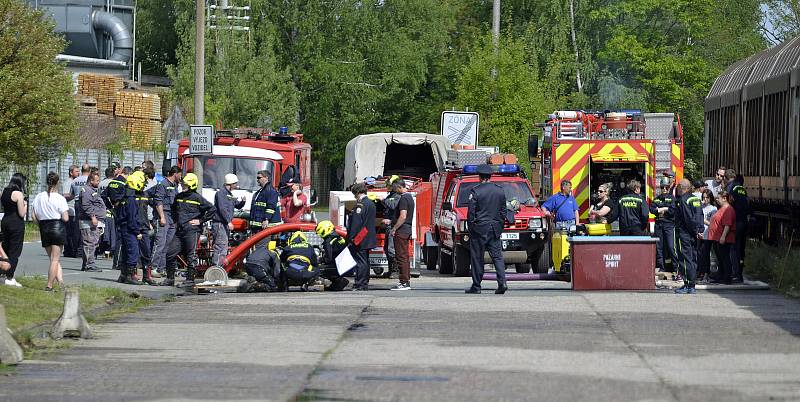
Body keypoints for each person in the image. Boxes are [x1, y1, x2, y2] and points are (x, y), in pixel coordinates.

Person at [465, 164, 508, 295]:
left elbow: (471, 213)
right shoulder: (499, 190)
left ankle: (476, 286)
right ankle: (502, 283)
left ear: (479, 177)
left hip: (479, 229)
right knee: (497, 257)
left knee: (477, 258)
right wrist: (499, 226)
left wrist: (472, 227)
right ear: (490, 176)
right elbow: (503, 211)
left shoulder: (476, 191)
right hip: (495, 229)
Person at [169, 173, 215, 287]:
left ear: (192, 185)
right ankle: (170, 278)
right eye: (183, 183)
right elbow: (173, 210)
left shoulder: (197, 198)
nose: (183, 185)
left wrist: (200, 221)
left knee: (191, 255)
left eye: (186, 184)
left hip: (192, 231)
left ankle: (190, 279)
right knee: (170, 253)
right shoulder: (179, 196)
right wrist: (176, 222)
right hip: (180, 230)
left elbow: (212, 209)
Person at [32, 172, 69, 291]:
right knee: (55, 259)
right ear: (57, 182)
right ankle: (49, 285)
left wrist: (41, 225)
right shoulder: (60, 198)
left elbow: (33, 215)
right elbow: (65, 218)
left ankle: (61, 282)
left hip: (44, 227)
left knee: (52, 258)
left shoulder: (39, 196)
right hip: (57, 227)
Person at [674, 179, 704, 294]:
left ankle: (688, 285)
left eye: (678, 187)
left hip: (684, 233)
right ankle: (691, 284)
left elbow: (688, 218)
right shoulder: (695, 199)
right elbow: (700, 215)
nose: (677, 189)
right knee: (692, 258)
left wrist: (692, 230)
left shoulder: (683, 200)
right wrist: (699, 230)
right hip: (694, 233)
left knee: (685, 259)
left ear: (682, 187)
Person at [345, 182, 376, 291]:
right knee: (365, 261)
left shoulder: (360, 205)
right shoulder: (371, 203)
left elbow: (356, 224)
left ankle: (360, 283)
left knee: (360, 261)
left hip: (360, 237)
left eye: (354, 194)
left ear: (358, 193)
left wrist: (351, 238)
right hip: (368, 236)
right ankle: (365, 282)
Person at [115, 171, 144, 285]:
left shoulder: (123, 197)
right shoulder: (131, 199)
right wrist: (137, 231)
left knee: (126, 252)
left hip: (123, 227)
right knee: (133, 252)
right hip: (130, 229)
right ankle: (130, 276)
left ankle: (123, 275)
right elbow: (132, 218)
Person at [152, 166, 181, 277]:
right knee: (160, 243)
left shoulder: (175, 186)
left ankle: (161, 268)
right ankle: (153, 267)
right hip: (164, 215)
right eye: (180, 175)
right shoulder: (163, 184)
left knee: (167, 244)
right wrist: (162, 217)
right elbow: (158, 201)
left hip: (172, 217)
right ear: (176, 174)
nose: (181, 177)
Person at [212, 173, 245, 266]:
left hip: (224, 224)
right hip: (220, 224)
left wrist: (243, 201)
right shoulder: (220, 194)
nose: (236, 186)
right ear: (230, 184)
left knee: (223, 246)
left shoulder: (230, 195)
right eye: (235, 184)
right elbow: (222, 209)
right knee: (220, 246)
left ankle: (219, 269)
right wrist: (228, 221)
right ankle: (216, 270)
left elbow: (237, 205)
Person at [1, 173, 27, 287]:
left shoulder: (5, 191)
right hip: (16, 222)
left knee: (5, 247)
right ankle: (10, 276)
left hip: (5, 220)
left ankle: (2, 273)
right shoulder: (18, 194)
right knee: (15, 250)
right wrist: (25, 205)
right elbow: (21, 213)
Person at [77, 171, 105, 273]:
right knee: (89, 243)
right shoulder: (86, 190)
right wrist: (93, 217)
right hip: (88, 221)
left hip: (92, 220)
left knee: (92, 242)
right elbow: (86, 205)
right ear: (91, 180)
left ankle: (87, 264)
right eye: (97, 180)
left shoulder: (91, 190)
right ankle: (89, 265)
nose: (98, 182)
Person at [390, 180, 414, 291]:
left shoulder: (403, 198)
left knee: (401, 257)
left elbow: (403, 216)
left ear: (400, 187)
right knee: (404, 256)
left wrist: (394, 228)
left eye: (395, 189)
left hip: (402, 230)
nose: (395, 191)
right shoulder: (410, 197)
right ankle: (405, 281)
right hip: (407, 229)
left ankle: (404, 282)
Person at [708, 191, 737, 284]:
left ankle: (727, 277)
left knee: (725, 258)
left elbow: (727, 225)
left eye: (718, 198)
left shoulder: (728, 209)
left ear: (724, 198)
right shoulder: (722, 208)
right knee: (720, 258)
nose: (717, 200)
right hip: (717, 237)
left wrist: (723, 237)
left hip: (723, 238)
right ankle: (721, 275)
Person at [133, 172, 156, 285]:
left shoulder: (145, 195)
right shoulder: (131, 195)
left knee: (147, 252)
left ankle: (147, 276)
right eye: (143, 183)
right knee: (134, 253)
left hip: (144, 227)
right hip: (134, 228)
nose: (144, 185)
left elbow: (155, 204)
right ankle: (133, 274)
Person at [725, 168, 749, 280]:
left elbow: (729, 205)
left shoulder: (731, 188)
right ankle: (739, 273)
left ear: (727, 177)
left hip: (735, 222)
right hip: (743, 221)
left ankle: (734, 273)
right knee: (740, 248)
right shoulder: (742, 189)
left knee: (733, 248)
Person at [651, 179, 678, 273]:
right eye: (662, 187)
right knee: (659, 247)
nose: (664, 189)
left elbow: (673, 210)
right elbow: (652, 209)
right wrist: (665, 208)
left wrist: (661, 209)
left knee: (671, 247)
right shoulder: (657, 198)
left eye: (666, 187)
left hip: (669, 225)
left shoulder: (672, 198)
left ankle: (675, 268)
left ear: (668, 187)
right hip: (658, 224)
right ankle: (662, 268)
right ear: (660, 188)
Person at [315, 220, 350, 291]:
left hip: (340, 268)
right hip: (348, 266)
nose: (320, 236)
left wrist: (319, 260)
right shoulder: (339, 237)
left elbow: (328, 259)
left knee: (318, 270)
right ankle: (336, 284)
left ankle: (339, 281)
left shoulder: (328, 241)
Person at [380, 175, 402, 278]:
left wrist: (383, 200)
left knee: (392, 249)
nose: (387, 186)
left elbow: (392, 205)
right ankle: (390, 270)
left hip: (394, 226)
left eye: (389, 184)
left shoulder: (397, 196)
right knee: (387, 249)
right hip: (389, 227)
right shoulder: (391, 195)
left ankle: (395, 271)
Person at [697, 189, 718, 282]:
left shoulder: (713, 208)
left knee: (706, 254)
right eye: (704, 197)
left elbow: (712, 223)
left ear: (710, 198)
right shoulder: (700, 207)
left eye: (707, 198)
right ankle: (700, 272)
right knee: (699, 254)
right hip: (699, 233)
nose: (705, 199)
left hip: (708, 234)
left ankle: (706, 273)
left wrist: (702, 219)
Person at [98, 166, 118, 259]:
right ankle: (110, 250)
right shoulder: (113, 183)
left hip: (101, 209)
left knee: (102, 230)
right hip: (111, 209)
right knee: (112, 231)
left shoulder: (100, 183)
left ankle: (103, 250)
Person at [62, 165, 80, 258]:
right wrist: (75, 195)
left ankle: (73, 249)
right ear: (71, 172)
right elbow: (65, 195)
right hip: (69, 210)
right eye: (76, 171)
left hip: (75, 210)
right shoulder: (68, 182)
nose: (78, 173)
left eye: (79, 171)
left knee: (74, 232)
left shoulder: (76, 182)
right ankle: (68, 250)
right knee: (69, 232)